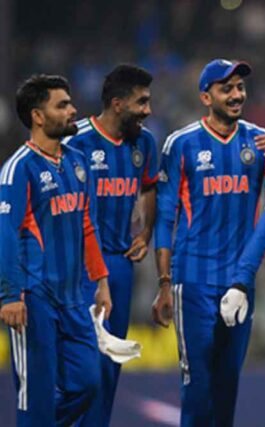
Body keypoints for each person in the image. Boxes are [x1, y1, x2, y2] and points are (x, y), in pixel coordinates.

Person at [150, 58, 265, 426]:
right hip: (192, 281)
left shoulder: (260, 140)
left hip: (240, 282)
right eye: (227, 89)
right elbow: (165, 217)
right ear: (206, 97)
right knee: (197, 385)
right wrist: (163, 283)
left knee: (227, 384)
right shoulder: (181, 143)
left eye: (240, 87)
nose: (237, 95)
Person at [0, 74, 112, 426]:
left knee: (89, 384)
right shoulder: (19, 168)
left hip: (74, 298)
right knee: (35, 394)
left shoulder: (78, 162)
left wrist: (101, 281)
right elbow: (5, 233)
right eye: (62, 105)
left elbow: (88, 224)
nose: (72, 110)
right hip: (35, 299)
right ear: (37, 116)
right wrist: (9, 296)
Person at [64, 64, 158, 427]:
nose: (148, 110)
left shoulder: (144, 143)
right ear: (118, 104)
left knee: (108, 368)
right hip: (80, 268)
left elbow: (149, 187)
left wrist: (145, 233)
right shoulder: (76, 140)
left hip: (120, 264)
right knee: (81, 367)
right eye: (141, 102)